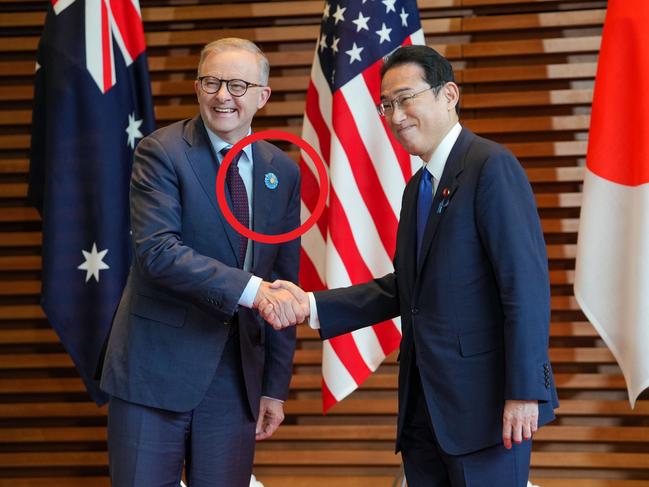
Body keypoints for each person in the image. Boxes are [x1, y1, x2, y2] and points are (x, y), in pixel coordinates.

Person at [263, 45, 559, 487]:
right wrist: (309, 304)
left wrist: (524, 392)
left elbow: (526, 287)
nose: (396, 116)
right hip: (425, 412)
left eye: (406, 99)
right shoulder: (416, 188)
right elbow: (405, 290)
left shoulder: (490, 166)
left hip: (488, 410)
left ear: (449, 94)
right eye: (386, 105)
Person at [100, 38, 306, 487]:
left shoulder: (284, 172)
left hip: (236, 383)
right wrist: (254, 291)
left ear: (262, 96)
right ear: (197, 88)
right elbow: (157, 252)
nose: (223, 96)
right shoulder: (162, 152)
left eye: (237, 84)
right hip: (153, 373)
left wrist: (274, 385)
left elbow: (284, 282)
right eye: (211, 82)